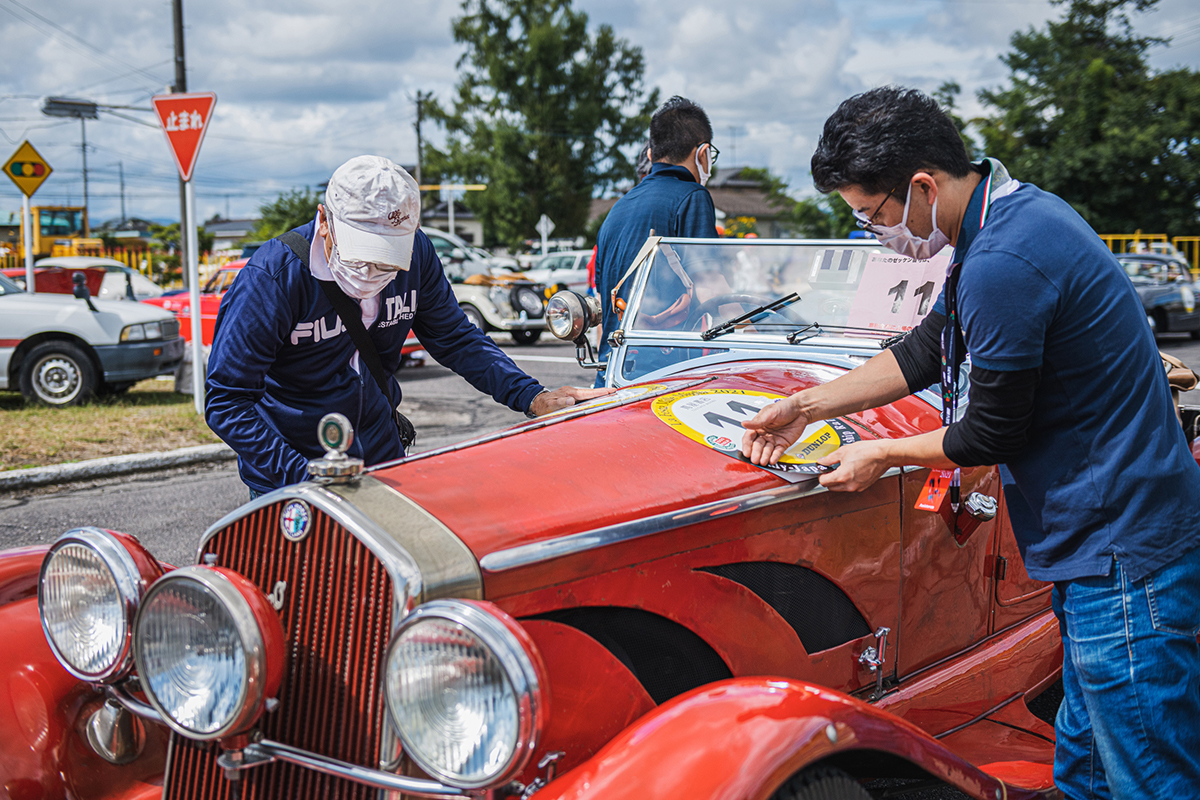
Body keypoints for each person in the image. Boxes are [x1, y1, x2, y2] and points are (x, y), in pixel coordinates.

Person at [741, 87, 1200, 799]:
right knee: (1085, 764)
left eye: (875, 214)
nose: (877, 233)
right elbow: (926, 350)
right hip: (1100, 544)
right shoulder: (1007, 220)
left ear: (922, 186)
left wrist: (880, 453)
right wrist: (807, 403)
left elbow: (992, 431)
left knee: (1146, 770)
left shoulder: (1004, 260)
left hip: (1121, 553)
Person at [207, 155, 610, 495]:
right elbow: (227, 399)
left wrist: (531, 397)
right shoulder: (273, 278)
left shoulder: (418, 255)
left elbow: (455, 338)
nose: (371, 273)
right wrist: (301, 477)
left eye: (387, 260)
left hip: (381, 457)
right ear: (324, 222)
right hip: (290, 475)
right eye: (360, 256)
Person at [592, 97, 719, 386]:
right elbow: (711, 285)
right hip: (665, 378)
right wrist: (755, 332)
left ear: (650, 154)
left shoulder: (618, 208)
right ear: (704, 154)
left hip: (612, 374)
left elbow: (603, 300)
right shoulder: (692, 197)